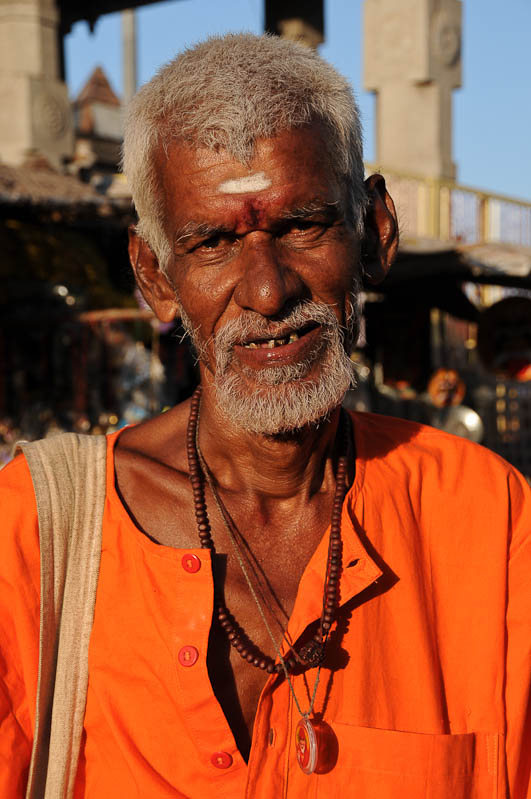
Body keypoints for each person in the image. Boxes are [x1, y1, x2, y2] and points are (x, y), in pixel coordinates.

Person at [1, 33, 529, 799]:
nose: (268, 290)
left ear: (375, 233)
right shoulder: (34, 532)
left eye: (301, 226)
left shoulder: (487, 521)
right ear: (155, 276)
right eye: (212, 242)